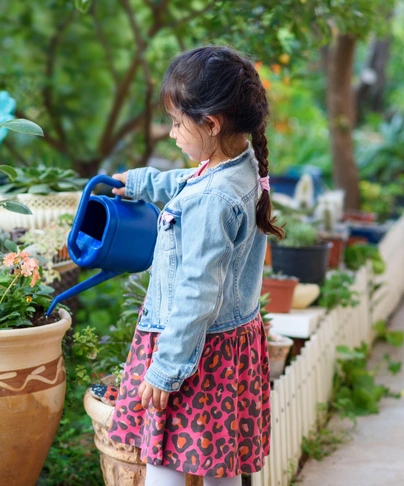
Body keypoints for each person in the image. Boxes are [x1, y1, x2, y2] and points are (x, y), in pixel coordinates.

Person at [106, 45, 285, 486]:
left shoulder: (214, 199)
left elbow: (197, 291)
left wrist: (166, 369)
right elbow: (186, 182)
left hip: (193, 352)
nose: (171, 134)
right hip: (226, 350)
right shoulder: (239, 166)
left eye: (176, 123)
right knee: (218, 461)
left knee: (166, 460)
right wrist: (141, 182)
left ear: (211, 122)